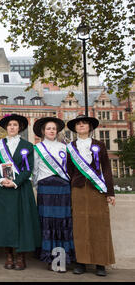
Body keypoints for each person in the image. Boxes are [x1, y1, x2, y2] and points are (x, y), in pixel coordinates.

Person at [0, 114, 41, 270]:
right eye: (9, 125)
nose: (12, 127)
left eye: (15, 125)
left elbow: (29, 168)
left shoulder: (28, 146)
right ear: (6, 127)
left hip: (21, 189)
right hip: (3, 189)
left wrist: (16, 182)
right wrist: (0, 180)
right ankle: (9, 256)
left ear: (20, 128)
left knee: (22, 222)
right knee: (5, 222)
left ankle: (20, 257)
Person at [66, 115, 115, 276]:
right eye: (78, 124)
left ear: (90, 127)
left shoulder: (99, 145)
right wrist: (74, 181)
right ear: (75, 128)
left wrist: (110, 192)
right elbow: (69, 169)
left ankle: (101, 263)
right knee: (79, 226)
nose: (81, 126)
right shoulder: (70, 147)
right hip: (78, 189)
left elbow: (106, 169)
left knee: (99, 225)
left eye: (84, 123)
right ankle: (81, 262)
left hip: (97, 190)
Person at [32, 117, 75, 272]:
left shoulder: (65, 147)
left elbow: (69, 168)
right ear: (43, 131)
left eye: (54, 129)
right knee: (48, 224)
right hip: (46, 188)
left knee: (62, 224)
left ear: (57, 131)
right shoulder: (37, 148)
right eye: (48, 128)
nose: (51, 131)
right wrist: (37, 186)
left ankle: (62, 260)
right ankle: (50, 259)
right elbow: (35, 170)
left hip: (63, 188)